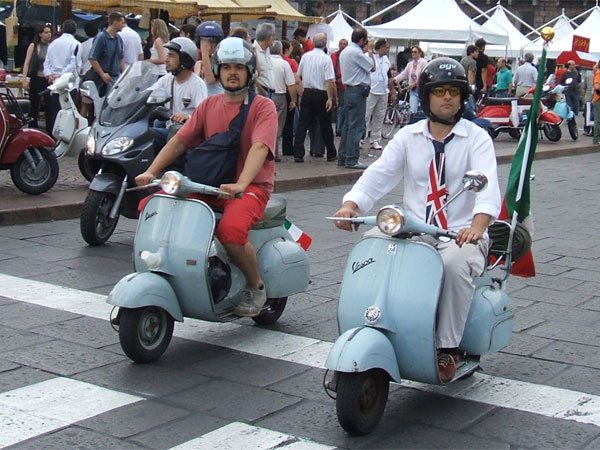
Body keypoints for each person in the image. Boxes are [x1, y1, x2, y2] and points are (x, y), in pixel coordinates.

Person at [332, 57, 501, 382]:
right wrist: (351, 205)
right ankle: (367, 321)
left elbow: (487, 184)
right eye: (439, 91)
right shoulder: (408, 137)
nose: (447, 97)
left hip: (459, 233)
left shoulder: (476, 138)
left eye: (453, 91)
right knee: (371, 248)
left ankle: (446, 347)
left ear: (462, 96)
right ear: (426, 96)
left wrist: (478, 226)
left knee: (453, 265)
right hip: (415, 229)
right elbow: (378, 175)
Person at [135, 37, 278, 317]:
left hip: (250, 187)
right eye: (226, 67)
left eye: (238, 67)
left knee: (231, 231)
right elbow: (179, 142)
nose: (232, 73)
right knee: (152, 207)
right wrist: (152, 171)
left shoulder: (263, 107)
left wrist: (241, 184)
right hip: (209, 182)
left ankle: (255, 286)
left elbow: (260, 147)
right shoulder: (208, 105)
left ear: (249, 71)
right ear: (218, 70)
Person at [149, 37, 207, 153]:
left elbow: (203, 114)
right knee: (145, 134)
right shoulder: (167, 79)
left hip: (185, 136)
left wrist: (188, 117)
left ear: (185, 59)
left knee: (151, 134)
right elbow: (148, 93)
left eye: (171, 55)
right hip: (169, 129)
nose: (166, 60)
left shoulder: (197, 84)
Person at [292, 33, 337, 163]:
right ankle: (331, 152)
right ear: (325, 44)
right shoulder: (326, 59)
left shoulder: (305, 56)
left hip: (307, 91)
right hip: (321, 93)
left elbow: (298, 75)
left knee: (303, 123)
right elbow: (329, 80)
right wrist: (330, 98)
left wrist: (301, 93)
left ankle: (298, 153)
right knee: (325, 124)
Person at [338, 27, 375, 170]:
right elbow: (372, 67)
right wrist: (370, 51)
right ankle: (352, 159)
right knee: (356, 126)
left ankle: (343, 156)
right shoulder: (356, 52)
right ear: (361, 40)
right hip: (357, 91)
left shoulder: (346, 51)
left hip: (348, 90)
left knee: (348, 125)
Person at [43, 19, 80, 134]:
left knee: (56, 113)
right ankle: (67, 136)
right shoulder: (76, 44)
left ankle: (54, 136)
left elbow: (47, 62)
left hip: (55, 84)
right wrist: (61, 75)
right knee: (70, 114)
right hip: (70, 85)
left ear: (62, 30)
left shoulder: (53, 44)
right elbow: (75, 64)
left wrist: (50, 75)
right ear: (75, 31)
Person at [269, 40, 297, 162]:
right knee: (277, 126)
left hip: (265, 93)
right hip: (279, 95)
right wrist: (293, 100)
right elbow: (291, 84)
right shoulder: (284, 63)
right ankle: (273, 152)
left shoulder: (264, 62)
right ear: (281, 51)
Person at [22, 23, 52, 130]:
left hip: (47, 79)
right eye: (46, 32)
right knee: (34, 105)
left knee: (49, 105)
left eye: (50, 32)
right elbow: (27, 62)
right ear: (40, 34)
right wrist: (24, 79)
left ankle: (49, 129)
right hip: (36, 78)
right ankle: (32, 127)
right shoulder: (33, 46)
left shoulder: (51, 46)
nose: (49, 34)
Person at [88, 12, 125, 97]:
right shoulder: (101, 37)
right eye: (122, 23)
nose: (123, 25)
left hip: (115, 79)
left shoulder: (119, 39)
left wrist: (124, 75)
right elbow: (92, 58)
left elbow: (121, 57)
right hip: (103, 80)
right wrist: (103, 74)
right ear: (115, 22)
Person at [365, 38, 391, 150]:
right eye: (386, 47)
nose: (387, 50)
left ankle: (375, 140)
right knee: (366, 116)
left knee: (379, 117)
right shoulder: (368, 56)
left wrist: (391, 90)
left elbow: (389, 75)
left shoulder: (386, 60)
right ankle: (362, 138)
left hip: (383, 91)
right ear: (380, 48)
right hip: (371, 90)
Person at [281, 40, 302, 156]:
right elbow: (296, 80)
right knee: (288, 122)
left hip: (274, 92)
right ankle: (287, 148)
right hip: (288, 92)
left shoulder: (271, 60)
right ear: (288, 49)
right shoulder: (291, 63)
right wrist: (298, 97)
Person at [395, 45, 427, 115]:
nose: (413, 53)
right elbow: (404, 74)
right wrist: (395, 79)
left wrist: (415, 83)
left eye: (415, 52)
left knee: (425, 109)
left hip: (421, 89)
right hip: (413, 90)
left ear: (420, 53)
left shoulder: (423, 63)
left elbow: (423, 76)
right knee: (412, 110)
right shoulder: (410, 64)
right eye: (412, 52)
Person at [195, 21, 225, 96]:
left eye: (212, 42)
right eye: (205, 42)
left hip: (217, 98)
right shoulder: (199, 64)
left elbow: (210, 80)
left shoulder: (220, 61)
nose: (209, 46)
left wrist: (204, 53)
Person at [254, 23, 276, 98]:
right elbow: (252, 76)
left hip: (270, 93)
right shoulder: (254, 51)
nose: (275, 38)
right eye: (273, 35)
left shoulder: (267, 50)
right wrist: (262, 91)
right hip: (262, 93)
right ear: (268, 37)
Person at [331, 38, 348, 136]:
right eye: (341, 44)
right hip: (334, 83)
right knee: (337, 107)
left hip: (343, 85)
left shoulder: (348, 56)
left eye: (344, 44)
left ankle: (339, 129)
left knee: (342, 107)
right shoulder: (334, 55)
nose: (342, 45)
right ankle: (338, 128)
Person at [592, 60, 600, 145]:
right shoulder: (598, 73)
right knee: (598, 119)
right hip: (598, 98)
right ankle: (597, 138)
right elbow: (597, 86)